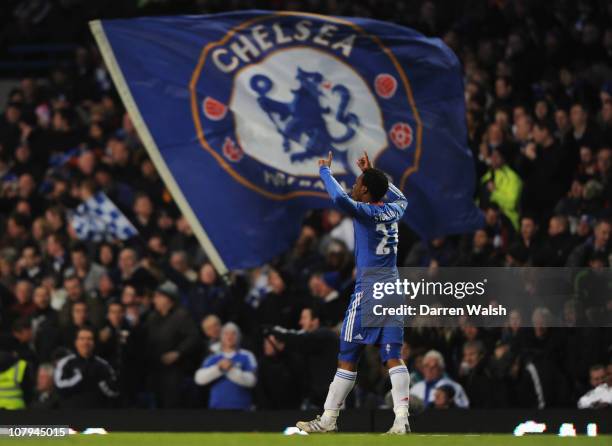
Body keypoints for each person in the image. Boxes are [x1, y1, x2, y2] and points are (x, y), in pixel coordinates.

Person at [296, 151, 411, 434]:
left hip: (369, 290)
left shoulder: (366, 210)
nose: (354, 187)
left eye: (359, 183)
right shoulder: (393, 209)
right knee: (393, 356)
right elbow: (402, 199)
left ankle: (328, 419)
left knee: (348, 354)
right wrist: (374, 172)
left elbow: (338, 199)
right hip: (393, 288)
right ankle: (401, 420)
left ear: (367, 191)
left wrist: (325, 171)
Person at [194, 322, 257, 409]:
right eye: (226, 334)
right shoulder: (214, 357)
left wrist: (231, 369)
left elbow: (252, 381)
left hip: (242, 408)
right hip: (217, 408)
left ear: (239, 336)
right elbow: (199, 379)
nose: (229, 337)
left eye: (233, 333)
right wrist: (218, 368)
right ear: (221, 337)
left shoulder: (247, 355)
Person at [53, 327, 119, 408]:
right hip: (71, 414)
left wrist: (101, 384)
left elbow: (115, 392)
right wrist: (79, 377)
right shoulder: (65, 363)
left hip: (97, 414)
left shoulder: (103, 365)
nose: (86, 342)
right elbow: (59, 387)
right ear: (76, 342)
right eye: (82, 339)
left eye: (89, 339)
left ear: (94, 343)